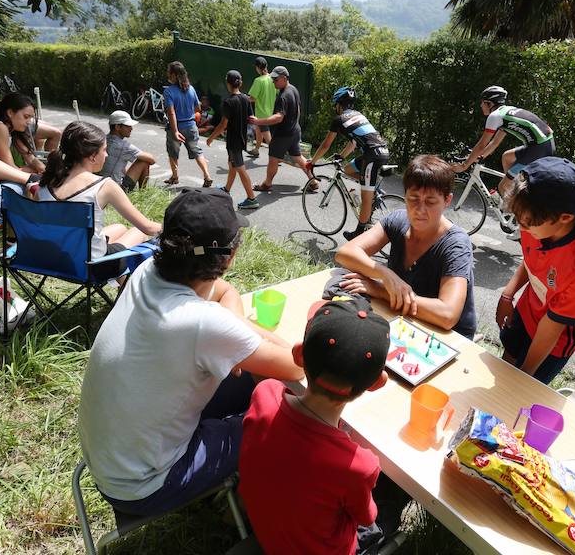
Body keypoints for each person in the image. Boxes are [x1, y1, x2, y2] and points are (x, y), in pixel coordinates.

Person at [78, 187, 304, 517]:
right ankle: (261, 506)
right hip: (144, 486)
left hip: (110, 460)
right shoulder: (201, 322)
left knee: (245, 381)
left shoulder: (146, 273)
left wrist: (234, 328)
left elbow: (225, 291)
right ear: (229, 256)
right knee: (287, 415)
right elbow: (295, 368)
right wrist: (236, 334)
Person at [239, 298, 410, 555]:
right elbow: (365, 516)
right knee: (388, 504)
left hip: (269, 532)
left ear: (298, 355)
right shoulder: (359, 466)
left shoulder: (264, 394)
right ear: (378, 382)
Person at [335, 155, 477, 339]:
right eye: (413, 198)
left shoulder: (456, 244)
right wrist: (386, 274)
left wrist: (380, 290)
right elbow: (345, 253)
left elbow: (447, 315)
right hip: (403, 320)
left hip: (445, 337)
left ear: (447, 200)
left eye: (431, 202)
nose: (420, 209)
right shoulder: (397, 220)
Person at [495, 157, 575, 385]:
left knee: (523, 389)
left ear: (565, 217)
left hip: (556, 337)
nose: (521, 228)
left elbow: (554, 324)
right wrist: (508, 294)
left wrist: (524, 376)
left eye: (525, 223)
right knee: (505, 367)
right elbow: (532, 259)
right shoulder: (533, 220)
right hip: (529, 307)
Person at [37, 121, 161, 279]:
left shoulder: (45, 182)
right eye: (104, 150)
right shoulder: (104, 186)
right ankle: (124, 291)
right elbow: (148, 228)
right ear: (92, 157)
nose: (107, 155)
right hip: (90, 266)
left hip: (51, 259)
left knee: (119, 227)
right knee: (137, 232)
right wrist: (182, 231)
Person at [308, 86, 390, 240]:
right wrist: (340, 155)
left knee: (365, 197)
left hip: (372, 155)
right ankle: (373, 190)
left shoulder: (339, 119)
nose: (335, 108)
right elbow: (353, 143)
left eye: (335, 105)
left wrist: (312, 162)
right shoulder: (358, 115)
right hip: (379, 152)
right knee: (347, 169)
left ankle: (359, 232)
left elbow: (326, 145)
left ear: (339, 104)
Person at [451, 85, 555, 202]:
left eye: (482, 103)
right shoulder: (505, 113)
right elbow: (494, 143)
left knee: (502, 187)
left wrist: (465, 165)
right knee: (507, 157)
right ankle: (516, 192)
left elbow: (482, 144)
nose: (480, 106)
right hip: (541, 144)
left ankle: (516, 211)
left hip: (539, 148)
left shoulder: (495, 116)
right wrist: (478, 157)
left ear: (489, 104)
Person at [249, 66, 318, 195]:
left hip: (284, 134)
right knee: (297, 157)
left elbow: (279, 117)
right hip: (294, 131)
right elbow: (298, 110)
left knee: (273, 159)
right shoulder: (294, 89)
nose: (273, 81)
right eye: (273, 79)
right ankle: (313, 181)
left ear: (284, 78)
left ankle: (267, 184)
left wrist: (258, 121)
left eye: (276, 79)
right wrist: (294, 125)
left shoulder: (283, 95)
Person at [205, 70, 260, 210]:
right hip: (241, 139)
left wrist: (211, 137)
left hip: (234, 141)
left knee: (240, 168)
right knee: (232, 165)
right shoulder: (246, 99)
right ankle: (227, 189)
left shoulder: (229, 102)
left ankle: (252, 198)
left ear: (228, 84)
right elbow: (250, 119)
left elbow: (223, 125)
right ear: (239, 83)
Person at [163, 61, 212, 187]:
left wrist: (175, 131)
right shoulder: (191, 89)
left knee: (173, 153)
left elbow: (172, 113)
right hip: (191, 126)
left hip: (176, 126)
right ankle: (207, 175)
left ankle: (175, 177)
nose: (168, 75)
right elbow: (198, 108)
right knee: (197, 152)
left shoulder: (169, 92)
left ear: (174, 75)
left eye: (169, 72)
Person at [101, 110, 156, 192]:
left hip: (99, 185)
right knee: (144, 162)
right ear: (117, 127)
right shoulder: (124, 146)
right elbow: (152, 160)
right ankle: (143, 193)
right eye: (128, 126)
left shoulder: (102, 139)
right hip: (116, 189)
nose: (131, 129)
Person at [246, 56, 275, 158]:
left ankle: (277, 156)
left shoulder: (258, 80)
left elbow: (253, 98)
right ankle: (256, 150)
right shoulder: (272, 79)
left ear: (258, 67)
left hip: (262, 114)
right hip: (270, 112)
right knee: (258, 130)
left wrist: (244, 98)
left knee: (267, 136)